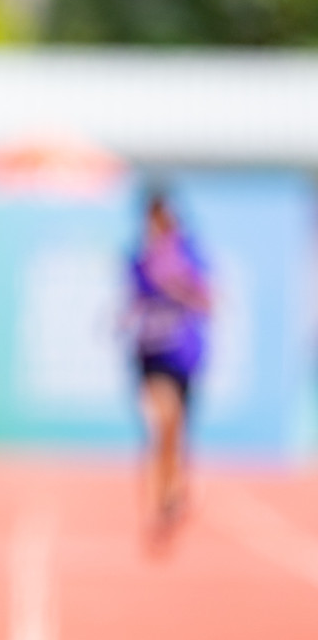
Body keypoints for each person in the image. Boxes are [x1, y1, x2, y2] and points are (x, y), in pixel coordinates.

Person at [128, 191, 210, 544]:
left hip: (184, 354)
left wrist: (176, 284)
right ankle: (161, 496)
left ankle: (172, 489)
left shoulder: (190, 255)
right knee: (162, 421)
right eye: (153, 219)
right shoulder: (138, 259)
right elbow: (135, 300)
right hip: (150, 355)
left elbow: (207, 301)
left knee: (176, 431)